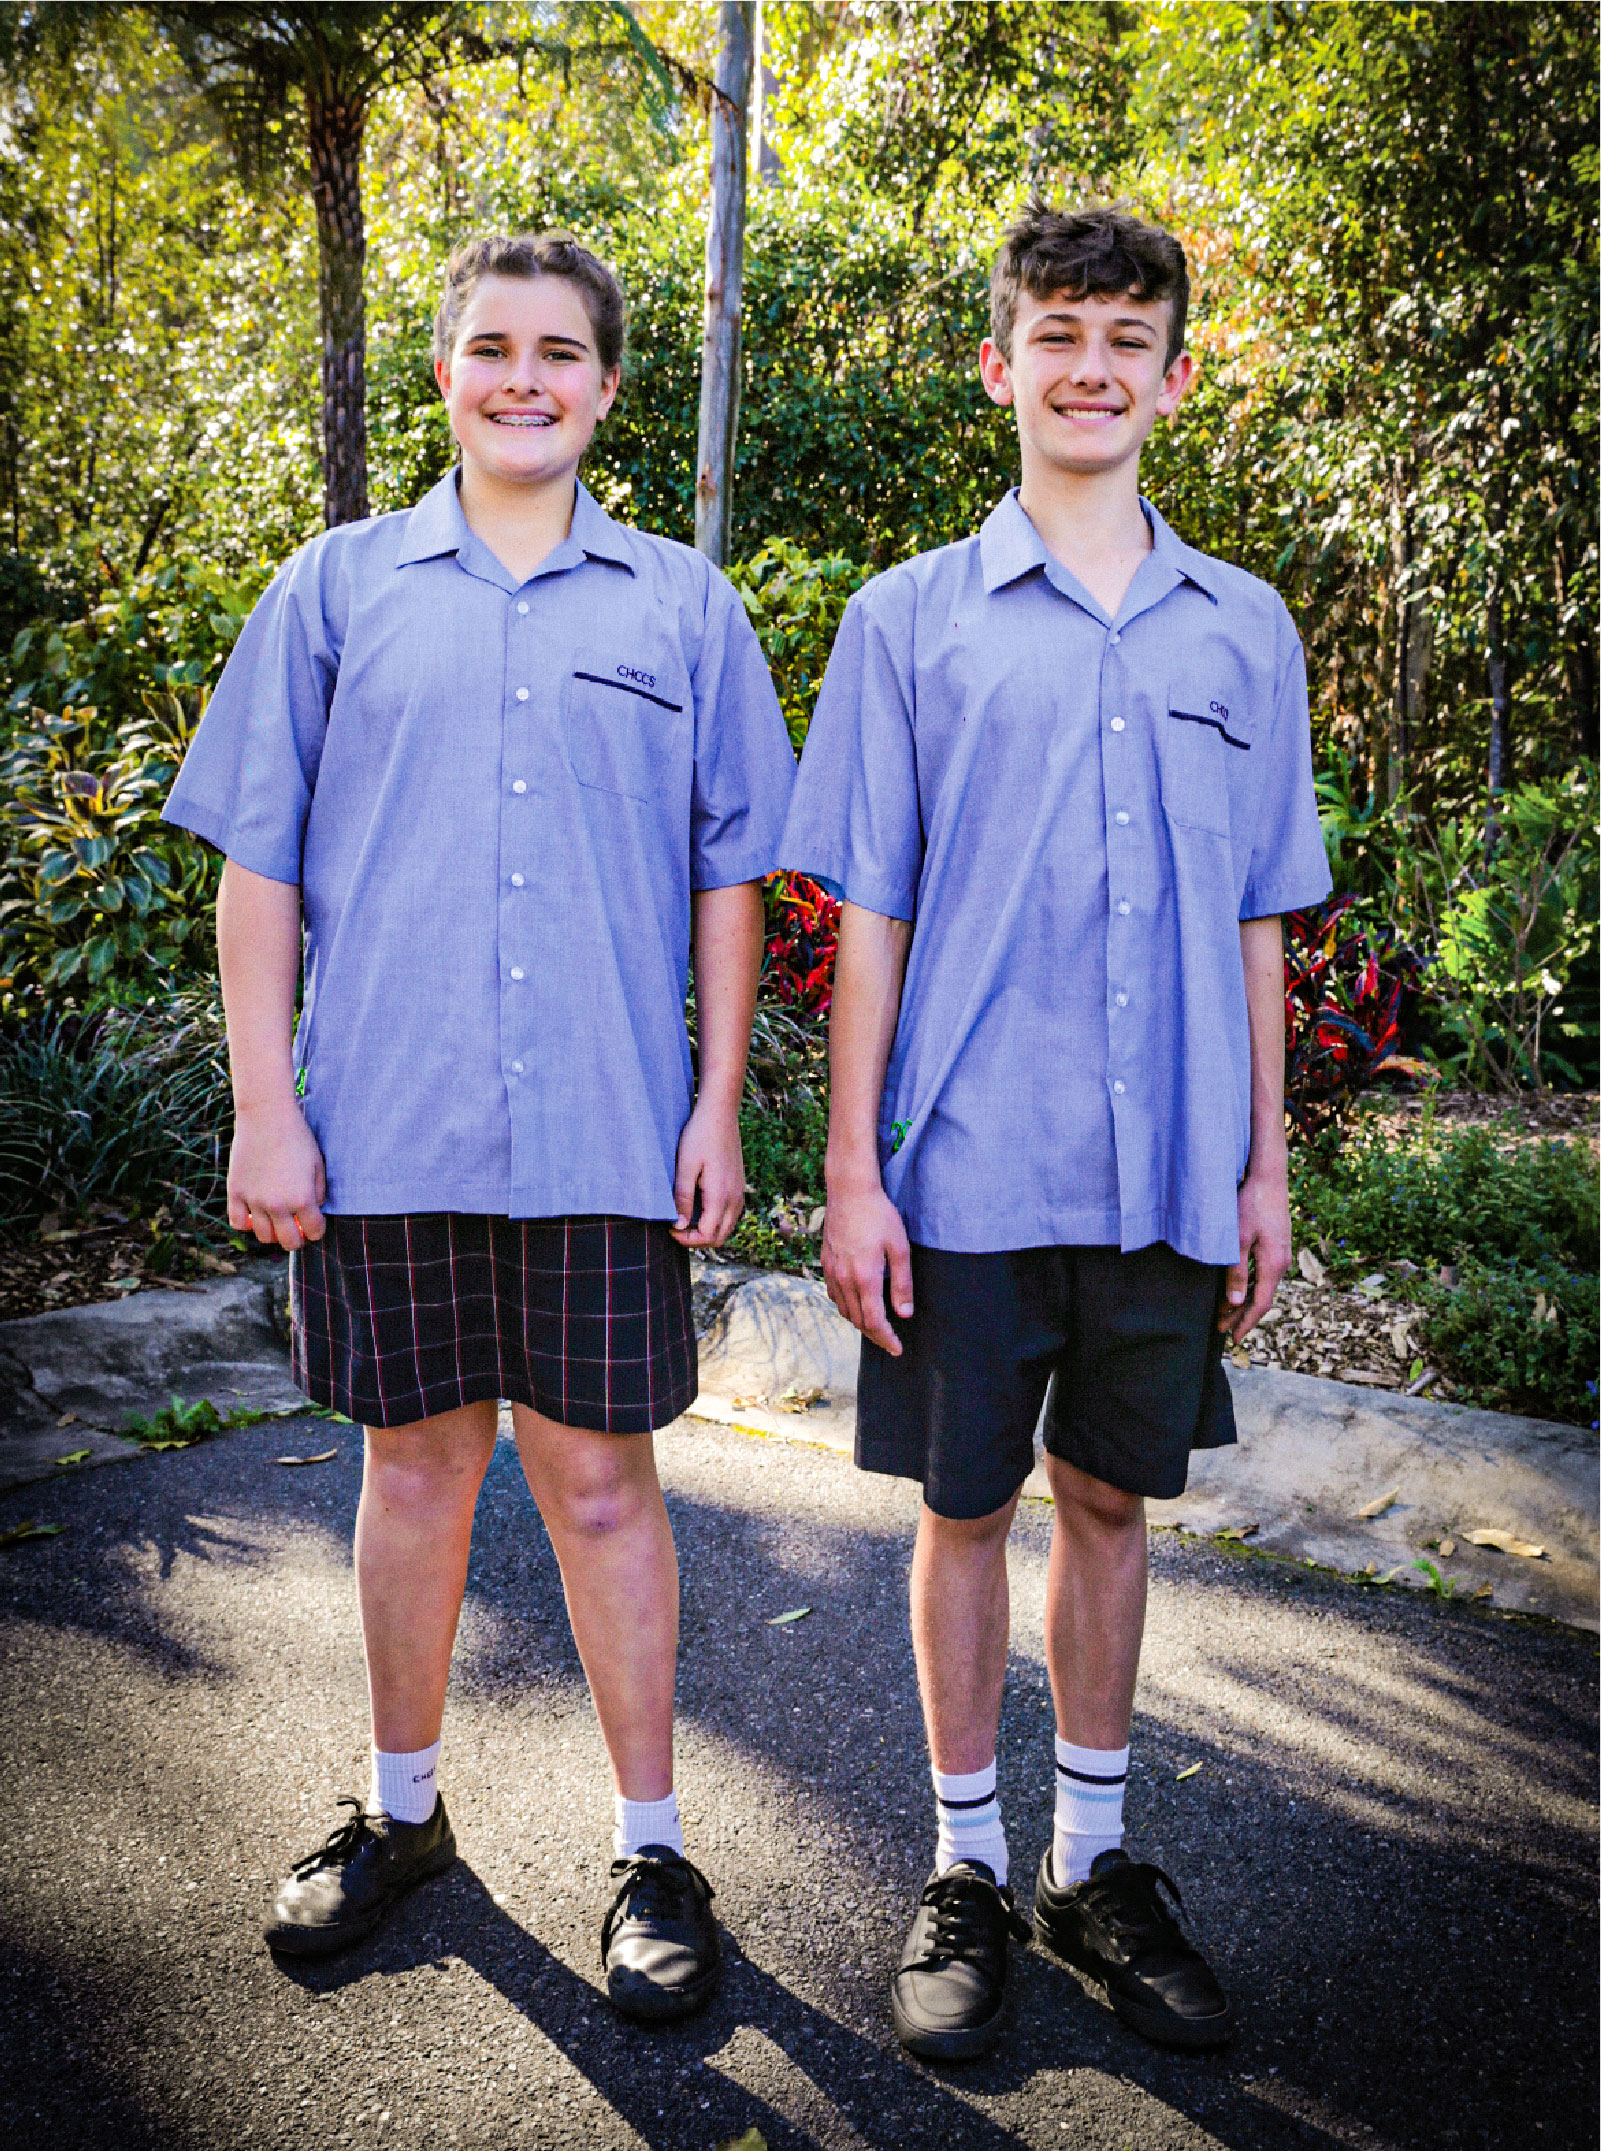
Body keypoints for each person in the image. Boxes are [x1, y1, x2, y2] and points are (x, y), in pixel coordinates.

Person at [162, 231, 795, 2023]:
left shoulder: (683, 607)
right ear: (446, 372)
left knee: (602, 1485)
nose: (524, 377)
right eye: (492, 348)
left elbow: (729, 876)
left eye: (560, 353)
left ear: (606, 386)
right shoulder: (339, 589)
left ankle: (652, 1848)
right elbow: (259, 862)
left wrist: (716, 1107)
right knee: (415, 1466)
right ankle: (402, 1812)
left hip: (603, 1126)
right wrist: (267, 1105)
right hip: (383, 1124)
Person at [780, 202, 1331, 2061]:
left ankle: (1092, 1864)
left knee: (1108, 1498)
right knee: (962, 1507)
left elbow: (1262, 914)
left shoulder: (1245, 631)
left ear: (1174, 377)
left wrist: (1264, 1162)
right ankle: (960, 1864)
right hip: (965, 1163)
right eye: (1057, 333)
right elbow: (871, 915)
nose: (1089, 367)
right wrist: (853, 1171)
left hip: (1167, 1162)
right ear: (998, 365)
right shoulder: (906, 621)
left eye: (1126, 337)